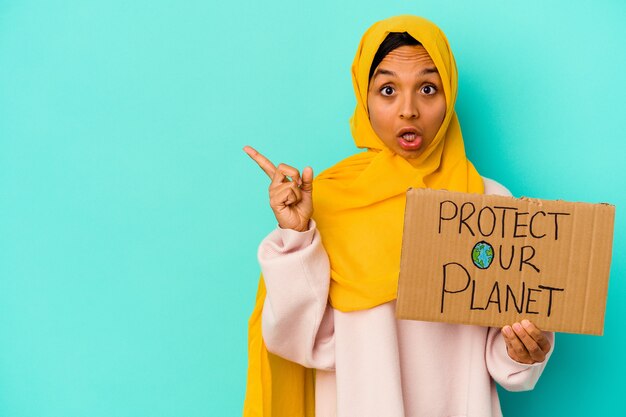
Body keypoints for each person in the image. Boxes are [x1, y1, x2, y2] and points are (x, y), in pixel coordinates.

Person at [242, 15, 554, 417]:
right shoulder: (329, 202)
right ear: (364, 97)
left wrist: (524, 350)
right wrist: (298, 234)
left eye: (428, 88)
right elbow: (302, 342)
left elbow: (502, 357)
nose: (409, 110)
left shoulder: (489, 202)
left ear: (449, 95)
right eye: (388, 90)